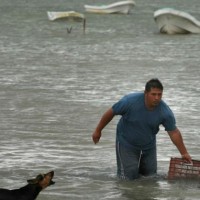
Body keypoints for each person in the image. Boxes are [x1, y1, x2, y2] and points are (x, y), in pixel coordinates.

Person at [92, 78, 192, 180]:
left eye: (159, 94)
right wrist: (98, 130)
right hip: (126, 143)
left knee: (150, 177)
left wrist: (184, 153)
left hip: (148, 145)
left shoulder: (165, 112)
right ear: (146, 93)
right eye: (153, 94)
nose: (157, 98)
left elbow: (174, 132)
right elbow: (111, 112)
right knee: (128, 178)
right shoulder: (129, 101)